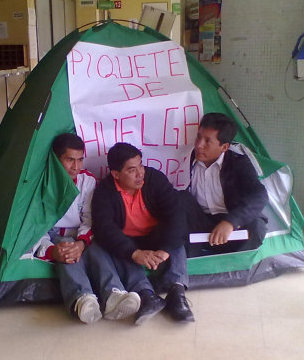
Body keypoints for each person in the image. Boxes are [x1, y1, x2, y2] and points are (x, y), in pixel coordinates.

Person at [33, 133, 140, 324]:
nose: (76, 167)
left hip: (80, 233)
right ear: (56, 160)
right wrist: (51, 251)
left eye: (80, 160)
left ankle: (114, 294)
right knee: (66, 250)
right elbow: (33, 229)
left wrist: (82, 243)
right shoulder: (40, 184)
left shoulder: (87, 181)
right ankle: (81, 299)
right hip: (54, 236)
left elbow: (89, 219)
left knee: (97, 247)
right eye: (69, 160)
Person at [91, 142, 194, 325]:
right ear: (116, 174)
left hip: (156, 236)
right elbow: (104, 227)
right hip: (129, 241)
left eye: (140, 165)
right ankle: (146, 295)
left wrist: (166, 249)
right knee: (111, 245)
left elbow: (176, 213)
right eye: (131, 170)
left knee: (176, 235)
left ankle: (177, 292)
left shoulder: (154, 178)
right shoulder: (104, 191)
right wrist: (134, 253)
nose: (140, 173)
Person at [181, 112, 268, 254]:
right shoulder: (187, 158)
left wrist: (231, 222)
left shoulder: (238, 163)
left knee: (256, 226)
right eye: (198, 137)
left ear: (224, 147)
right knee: (180, 201)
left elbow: (260, 195)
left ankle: (234, 263)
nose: (199, 145)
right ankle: (192, 261)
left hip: (231, 223)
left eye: (207, 141)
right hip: (199, 221)